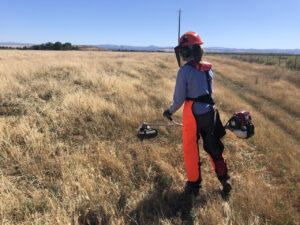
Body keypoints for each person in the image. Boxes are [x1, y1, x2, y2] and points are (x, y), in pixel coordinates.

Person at [163, 31, 231, 197]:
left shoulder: (184, 71)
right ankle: (225, 180)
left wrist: (169, 111)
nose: (181, 54)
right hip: (209, 111)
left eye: (182, 51)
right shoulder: (209, 68)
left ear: (187, 51)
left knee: (190, 149)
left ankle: (194, 185)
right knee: (214, 146)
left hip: (192, 113)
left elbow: (179, 99)